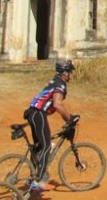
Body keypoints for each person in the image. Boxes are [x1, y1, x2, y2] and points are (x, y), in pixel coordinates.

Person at [25, 59, 77, 191]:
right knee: (47, 145)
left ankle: (32, 177)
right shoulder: (60, 84)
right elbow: (57, 104)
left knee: (39, 147)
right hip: (38, 114)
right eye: (70, 72)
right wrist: (69, 119)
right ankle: (39, 180)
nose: (71, 74)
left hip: (33, 113)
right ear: (65, 73)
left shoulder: (55, 81)